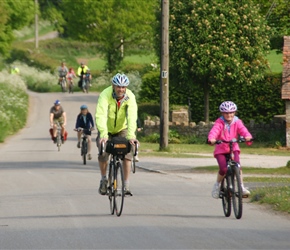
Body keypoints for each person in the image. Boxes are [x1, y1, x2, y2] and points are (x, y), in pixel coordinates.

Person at [95, 73, 138, 196]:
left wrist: (131, 136)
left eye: (123, 87)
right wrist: (103, 134)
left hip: (122, 128)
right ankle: (104, 179)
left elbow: (132, 116)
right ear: (113, 86)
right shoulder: (105, 94)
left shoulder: (130, 96)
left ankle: (126, 184)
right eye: (118, 87)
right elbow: (101, 114)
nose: (121, 89)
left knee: (127, 153)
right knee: (103, 152)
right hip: (106, 129)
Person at [208, 101, 252, 199]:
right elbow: (214, 131)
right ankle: (217, 185)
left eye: (231, 112)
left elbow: (243, 130)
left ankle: (241, 187)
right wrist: (212, 139)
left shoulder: (237, 121)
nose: (229, 115)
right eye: (226, 113)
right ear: (222, 114)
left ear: (234, 113)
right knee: (223, 168)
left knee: (237, 165)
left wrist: (247, 136)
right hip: (221, 149)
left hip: (233, 148)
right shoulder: (219, 122)